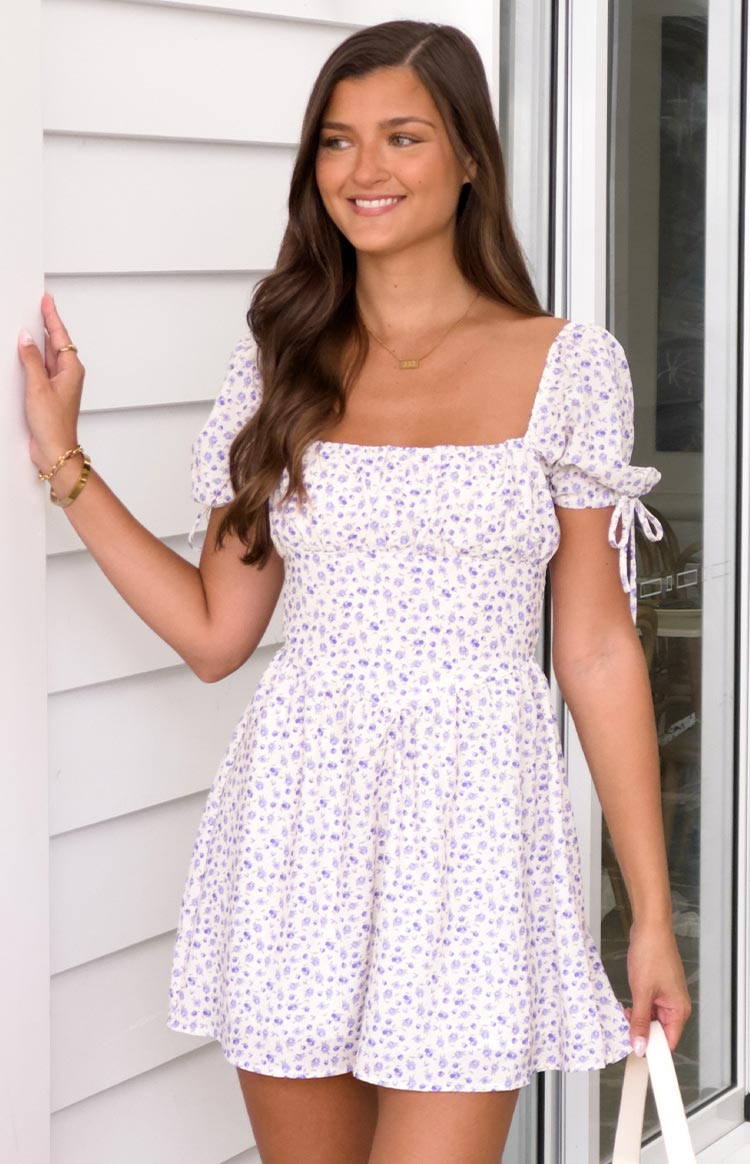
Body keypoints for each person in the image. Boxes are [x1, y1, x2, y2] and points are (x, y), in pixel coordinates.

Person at [19, 18, 691, 1164]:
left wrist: (651, 919)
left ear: (470, 156)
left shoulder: (567, 362)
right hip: (300, 819)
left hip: (476, 827)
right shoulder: (280, 358)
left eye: (400, 138)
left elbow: (594, 651)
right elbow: (216, 634)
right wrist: (61, 463)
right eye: (336, 141)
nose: (362, 172)